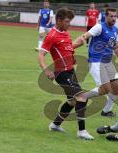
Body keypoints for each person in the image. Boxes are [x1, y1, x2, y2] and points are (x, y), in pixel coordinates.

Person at [38, 8, 94, 140]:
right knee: (82, 97)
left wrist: (78, 43)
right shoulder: (52, 35)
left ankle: (55, 125)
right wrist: (47, 70)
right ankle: (82, 131)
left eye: (70, 21)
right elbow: (40, 55)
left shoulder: (66, 33)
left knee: (72, 101)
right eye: (67, 21)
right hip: (61, 73)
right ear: (59, 20)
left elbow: (67, 48)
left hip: (70, 71)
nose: (69, 24)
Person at [74, 8, 118, 117]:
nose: (113, 18)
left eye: (115, 16)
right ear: (106, 17)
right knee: (106, 89)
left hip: (107, 62)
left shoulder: (116, 30)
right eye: (111, 16)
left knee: (116, 87)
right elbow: (85, 35)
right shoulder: (99, 27)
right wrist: (82, 39)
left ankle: (106, 111)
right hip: (95, 61)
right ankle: (83, 96)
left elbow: (115, 46)